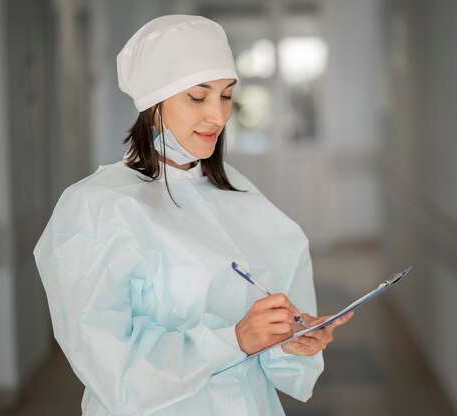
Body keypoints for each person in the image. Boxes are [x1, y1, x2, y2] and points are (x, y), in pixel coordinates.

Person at [34, 15, 353, 416]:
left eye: (225, 95)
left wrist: (287, 340)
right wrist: (232, 340)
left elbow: (271, 347)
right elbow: (110, 367)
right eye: (198, 97)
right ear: (153, 104)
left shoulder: (239, 197)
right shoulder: (97, 209)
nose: (218, 116)